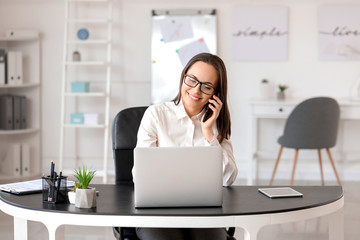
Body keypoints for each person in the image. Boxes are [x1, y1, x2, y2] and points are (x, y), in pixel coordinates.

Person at [135, 52, 238, 240]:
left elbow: (228, 178)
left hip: (204, 213)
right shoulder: (156, 115)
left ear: (216, 93)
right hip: (158, 213)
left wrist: (208, 133)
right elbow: (140, 174)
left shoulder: (218, 124)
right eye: (192, 80)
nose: (196, 90)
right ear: (183, 78)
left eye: (207, 86)